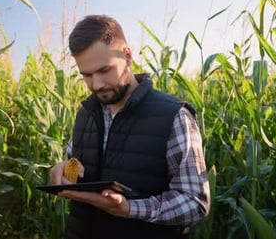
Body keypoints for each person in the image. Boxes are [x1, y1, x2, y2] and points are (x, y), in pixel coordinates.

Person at [49, 14, 210, 239]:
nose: (96, 84)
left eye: (104, 71)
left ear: (127, 55)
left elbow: (195, 202)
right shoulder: (86, 113)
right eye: (86, 75)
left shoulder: (174, 116)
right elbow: (76, 162)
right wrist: (65, 169)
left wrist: (130, 208)